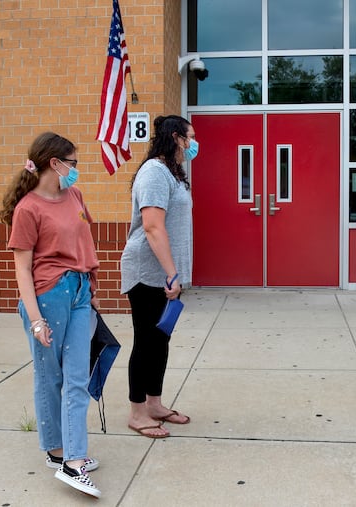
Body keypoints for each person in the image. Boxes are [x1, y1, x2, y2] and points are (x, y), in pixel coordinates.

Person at [0, 132, 101, 497]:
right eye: (73, 163)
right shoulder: (28, 208)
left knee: (76, 378)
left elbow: (85, 240)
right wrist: (36, 319)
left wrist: (91, 285)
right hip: (48, 296)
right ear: (54, 164)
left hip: (79, 292)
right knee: (49, 377)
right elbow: (22, 269)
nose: (77, 170)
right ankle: (56, 452)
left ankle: (73, 459)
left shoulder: (74, 195)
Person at [121, 115, 197, 438]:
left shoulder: (172, 172)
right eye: (190, 137)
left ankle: (154, 404)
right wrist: (171, 274)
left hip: (166, 276)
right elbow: (152, 226)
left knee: (160, 341)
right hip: (148, 273)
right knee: (146, 342)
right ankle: (138, 412)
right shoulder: (154, 172)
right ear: (176, 137)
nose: (194, 144)